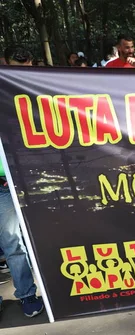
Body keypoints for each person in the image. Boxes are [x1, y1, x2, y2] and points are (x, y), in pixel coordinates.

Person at [1, 45, 45, 317]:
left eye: (25, 69)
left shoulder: (31, 91)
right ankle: (27, 294)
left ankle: (48, 291)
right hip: (3, 185)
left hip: (28, 177)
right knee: (12, 242)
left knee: (39, 236)